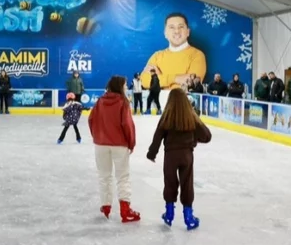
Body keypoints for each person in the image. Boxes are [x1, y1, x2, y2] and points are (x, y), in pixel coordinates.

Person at [146, 89, 211, 230]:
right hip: (186, 155)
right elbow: (207, 136)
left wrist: (152, 153)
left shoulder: (166, 116)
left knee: (170, 182)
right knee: (187, 183)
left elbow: (158, 136)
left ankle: (169, 214)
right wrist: (193, 139)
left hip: (170, 156)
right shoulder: (191, 116)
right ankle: (188, 217)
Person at [88, 76, 139, 223]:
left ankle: (106, 206)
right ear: (119, 86)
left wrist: (97, 136)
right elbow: (127, 125)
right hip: (119, 145)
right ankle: (125, 209)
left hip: (101, 145)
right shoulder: (123, 102)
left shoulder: (100, 101)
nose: (126, 88)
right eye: (125, 85)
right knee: (123, 176)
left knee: (104, 176)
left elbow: (91, 120)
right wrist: (131, 143)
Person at [139, 12, 207, 91]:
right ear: (165, 33)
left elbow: (190, 87)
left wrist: (158, 79)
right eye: (171, 27)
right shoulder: (157, 56)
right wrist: (175, 78)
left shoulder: (197, 55)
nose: (177, 31)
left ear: (188, 32)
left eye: (181, 27)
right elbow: (144, 81)